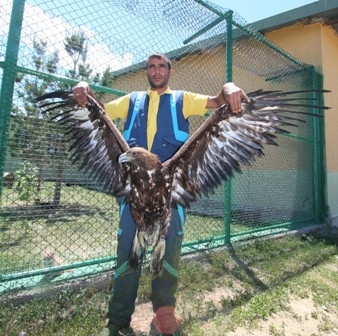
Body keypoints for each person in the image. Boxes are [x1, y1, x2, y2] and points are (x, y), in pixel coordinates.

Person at [73, 53, 249, 336]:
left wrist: (228, 86)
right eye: (151, 67)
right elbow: (96, 108)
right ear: (147, 72)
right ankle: (118, 322)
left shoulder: (182, 99)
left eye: (161, 66)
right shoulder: (130, 101)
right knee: (128, 250)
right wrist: (83, 86)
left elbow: (217, 103)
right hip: (134, 193)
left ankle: (164, 315)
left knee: (169, 249)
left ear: (170, 71)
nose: (156, 71)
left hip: (171, 190)